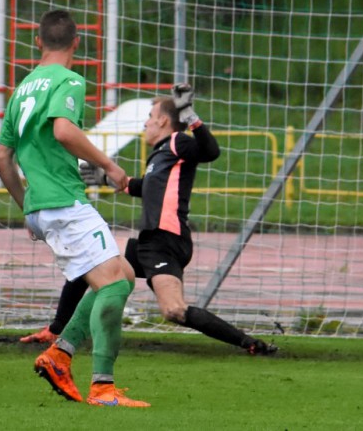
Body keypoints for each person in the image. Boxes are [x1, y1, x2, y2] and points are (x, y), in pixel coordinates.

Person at [21, 86, 278, 356]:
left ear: (163, 121)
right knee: (90, 256)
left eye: (150, 117)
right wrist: (107, 179)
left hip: (165, 242)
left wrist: (189, 115)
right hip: (149, 241)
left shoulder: (178, 141)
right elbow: (149, 187)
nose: (145, 123)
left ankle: (250, 343)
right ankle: (57, 329)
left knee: (174, 310)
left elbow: (210, 151)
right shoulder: (161, 154)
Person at [0, 8, 149, 408]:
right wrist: (109, 165)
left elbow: (0, 158)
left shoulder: (22, 89)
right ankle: (102, 388)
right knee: (115, 285)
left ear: (38, 42)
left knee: (125, 274)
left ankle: (61, 353)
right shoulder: (70, 80)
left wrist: (28, 206)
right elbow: (64, 130)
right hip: (64, 200)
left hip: (43, 204)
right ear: (77, 42)